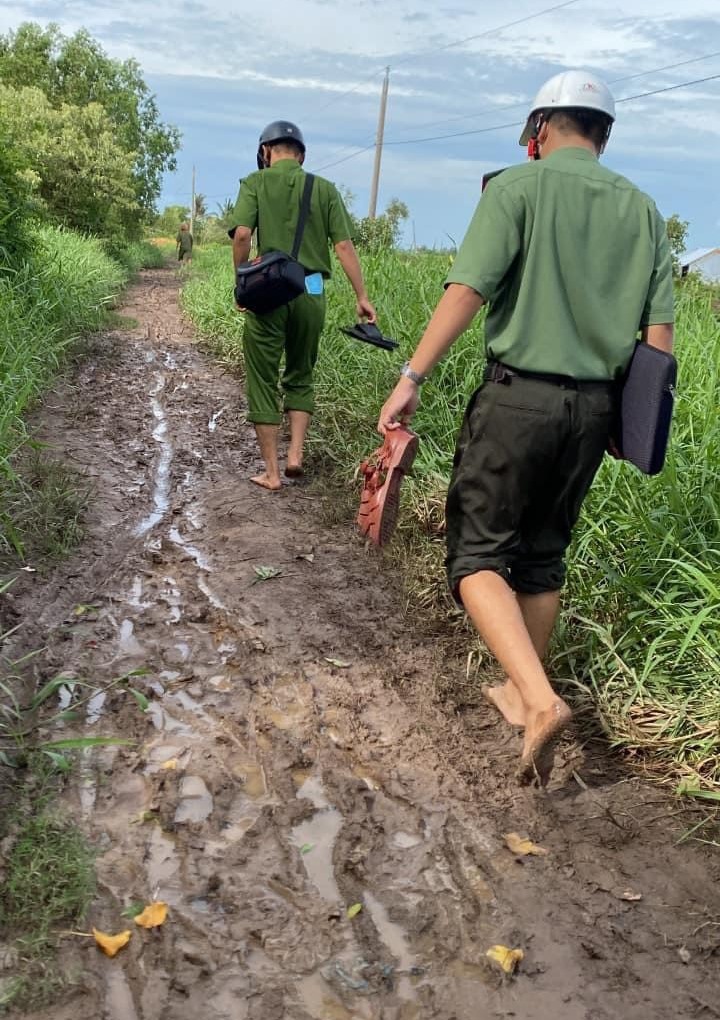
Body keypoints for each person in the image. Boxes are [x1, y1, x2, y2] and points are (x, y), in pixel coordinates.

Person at [377, 70, 674, 785]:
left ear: (540, 129)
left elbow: (468, 291)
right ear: (603, 134)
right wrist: (627, 421)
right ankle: (519, 687)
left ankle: (539, 700)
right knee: (541, 556)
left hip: (519, 399)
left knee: (475, 554)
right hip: (594, 410)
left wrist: (410, 378)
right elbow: (658, 337)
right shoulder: (643, 210)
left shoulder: (515, 187)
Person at [229, 120, 376, 490]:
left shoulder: (255, 182)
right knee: (301, 371)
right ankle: (295, 454)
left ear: (265, 152)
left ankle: (272, 473)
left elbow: (243, 234)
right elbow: (343, 247)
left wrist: (241, 283)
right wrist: (361, 296)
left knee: (262, 378)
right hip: (311, 289)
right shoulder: (324, 189)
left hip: (269, 290)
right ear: (302, 155)